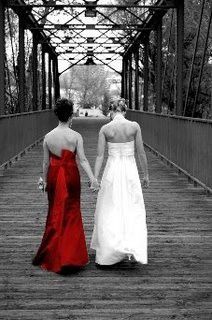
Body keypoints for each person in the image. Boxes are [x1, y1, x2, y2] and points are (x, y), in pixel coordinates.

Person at [32, 98, 98, 273]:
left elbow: (45, 164)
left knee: (55, 211)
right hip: (71, 176)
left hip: (54, 175)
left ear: (57, 115)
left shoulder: (48, 137)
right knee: (72, 212)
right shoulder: (75, 136)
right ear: (71, 116)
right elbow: (82, 159)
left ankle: (54, 252)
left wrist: (44, 181)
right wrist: (93, 178)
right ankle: (71, 256)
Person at [90, 98, 149, 266]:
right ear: (124, 111)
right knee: (131, 207)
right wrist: (146, 175)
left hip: (112, 170)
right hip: (130, 171)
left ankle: (110, 251)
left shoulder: (105, 129)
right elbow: (141, 153)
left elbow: (100, 156)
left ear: (111, 112)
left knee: (110, 207)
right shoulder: (134, 126)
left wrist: (95, 178)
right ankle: (130, 248)